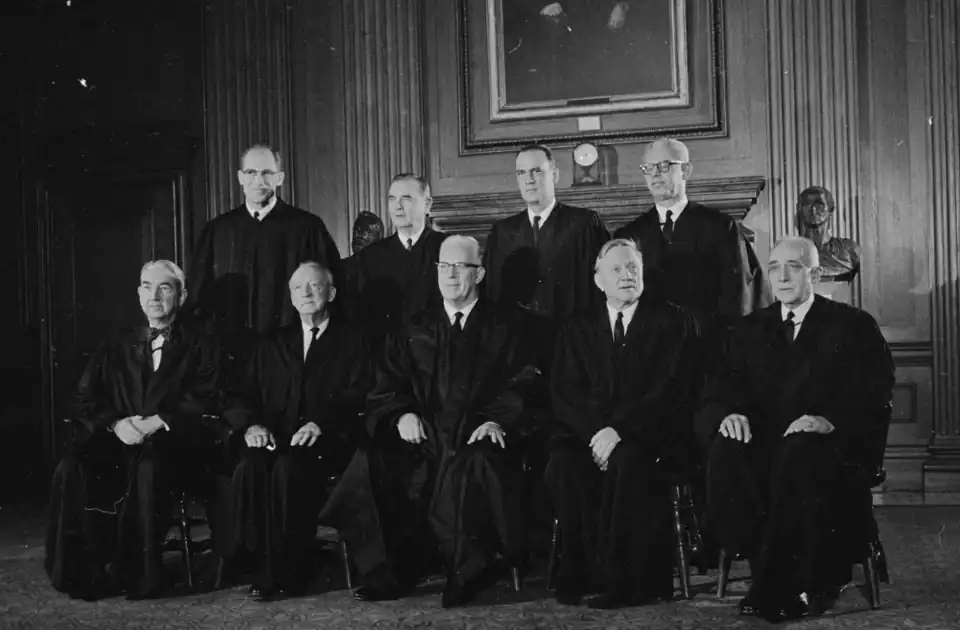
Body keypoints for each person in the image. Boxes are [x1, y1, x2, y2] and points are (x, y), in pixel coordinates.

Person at [324, 235, 540, 608]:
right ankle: (389, 571)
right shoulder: (414, 325)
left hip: (476, 436)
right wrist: (401, 413)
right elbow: (387, 381)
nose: (451, 274)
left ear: (481, 273)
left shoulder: (508, 325)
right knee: (371, 461)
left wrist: (494, 421)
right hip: (424, 436)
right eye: (444, 266)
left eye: (461, 267)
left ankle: (468, 571)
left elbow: (525, 381)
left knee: (474, 464)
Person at [697, 236, 894, 622]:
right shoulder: (749, 329)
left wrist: (829, 420)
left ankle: (792, 584)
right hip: (767, 448)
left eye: (794, 267)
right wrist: (727, 414)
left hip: (828, 447)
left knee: (800, 452)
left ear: (816, 274)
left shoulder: (852, 325)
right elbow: (719, 389)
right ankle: (769, 567)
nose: (782, 276)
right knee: (727, 449)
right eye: (774, 267)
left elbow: (874, 392)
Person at [45, 260, 226, 601]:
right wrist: (116, 423)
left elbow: (208, 397)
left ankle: (138, 574)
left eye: (165, 287)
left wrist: (158, 421)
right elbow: (84, 397)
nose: (154, 296)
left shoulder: (201, 344)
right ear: (138, 293)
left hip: (173, 442)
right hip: (120, 438)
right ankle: (81, 571)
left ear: (182, 296)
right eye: (147, 286)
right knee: (71, 466)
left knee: (149, 467)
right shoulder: (117, 343)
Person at [545, 238, 700, 609]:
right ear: (598, 280)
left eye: (633, 268)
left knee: (630, 462)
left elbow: (669, 391)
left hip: (650, 435)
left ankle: (627, 582)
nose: (626, 276)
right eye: (616, 269)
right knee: (563, 464)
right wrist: (596, 434)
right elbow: (566, 391)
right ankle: (578, 574)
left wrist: (618, 431)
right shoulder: (577, 325)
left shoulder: (671, 319)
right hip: (590, 435)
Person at [222, 261, 365, 601]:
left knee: (290, 469)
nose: (306, 293)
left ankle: (292, 570)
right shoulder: (272, 343)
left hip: (329, 442)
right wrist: (251, 425)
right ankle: (260, 567)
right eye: (298, 288)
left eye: (314, 286)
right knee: (252, 465)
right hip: (276, 438)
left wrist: (323, 423)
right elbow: (240, 393)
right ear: (290, 296)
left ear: (331, 292)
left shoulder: (353, 340)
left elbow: (361, 394)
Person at [186, 144, 341, 363]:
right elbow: (198, 296)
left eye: (267, 173)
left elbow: (331, 292)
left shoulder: (307, 227)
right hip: (229, 356)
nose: (258, 181)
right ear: (240, 177)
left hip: (290, 355)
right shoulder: (218, 230)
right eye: (251, 173)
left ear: (280, 178)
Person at [615, 138, 747, 363]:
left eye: (664, 166)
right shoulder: (630, 233)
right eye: (648, 169)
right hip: (649, 354)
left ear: (686, 170)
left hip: (705, 349)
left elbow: (735, 296)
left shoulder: (718, 226)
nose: (655, 174)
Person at [484, 144, 609, 327]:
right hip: (518, 344)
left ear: (555, 175)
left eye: (537, 171)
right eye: (522, 173)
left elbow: (601, 292)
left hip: (571, 342)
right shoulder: (502, 233)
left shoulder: (583, 225)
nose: (529, 180)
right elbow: (492, 297)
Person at [349, 174, 446, 343]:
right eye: (392, 199)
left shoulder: (447, 249)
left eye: (406, 198)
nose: (397, 207)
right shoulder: (371, 257)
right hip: (385, 359)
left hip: (437, 354)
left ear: (427, 204)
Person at [795, 185, 861, 282]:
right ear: (799, 209)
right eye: (807, 204)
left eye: (820, 205)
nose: (813, 210)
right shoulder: (791, 251)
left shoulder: (849, 250)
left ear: (831, 208)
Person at [342, 211, 384, 303]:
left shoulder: (388, 268)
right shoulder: (340, 267)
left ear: (379, 237)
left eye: (365, 232)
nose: (358, 236)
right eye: (356, 231)